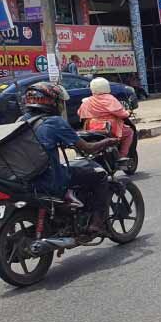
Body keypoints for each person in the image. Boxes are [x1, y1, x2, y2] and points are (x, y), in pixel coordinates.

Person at [21, 82, 117, 234]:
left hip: (26, 178)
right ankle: (97, 222)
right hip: (50, 179)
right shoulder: (54, 122)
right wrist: (107, 141)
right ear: (51, 102)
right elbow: (87, 148)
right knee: (99, 175)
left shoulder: (21, 121)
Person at [78, 77, 134, 159]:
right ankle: (122, 155)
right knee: (129, 132)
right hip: (108, 127)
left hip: (91, 127)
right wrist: (128, 112)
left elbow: (80, 113)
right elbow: (122, 114)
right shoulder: (109, 99)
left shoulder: (88, 101)